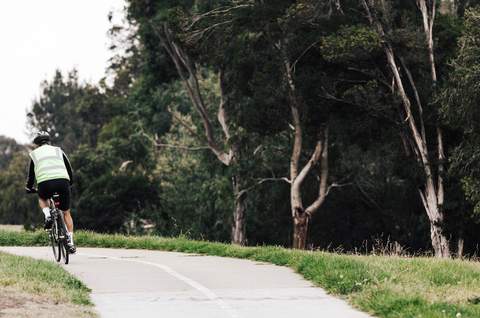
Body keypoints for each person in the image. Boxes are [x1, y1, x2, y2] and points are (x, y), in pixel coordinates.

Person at [25, 131, 76, 254]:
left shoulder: (34, 155)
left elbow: (31, 176)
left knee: (42, 199)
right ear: (49, 141)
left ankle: (48, 215)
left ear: (36, 144)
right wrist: (70, 183)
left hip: (44, 184)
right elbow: (69, 168)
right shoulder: (58, 150)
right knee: (66, 213)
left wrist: (29, 188)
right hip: (63, 182)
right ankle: (70, 241)